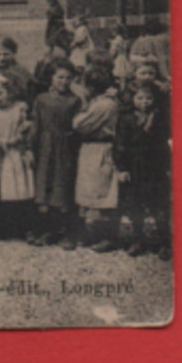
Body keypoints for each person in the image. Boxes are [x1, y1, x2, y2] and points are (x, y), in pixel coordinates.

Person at [114, 83, 172, 257]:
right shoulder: (126, 118)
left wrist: (168, 166)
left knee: (158, 204)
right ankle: (138, 239)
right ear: (132, 99)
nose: (144, 102)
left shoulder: (160, 117)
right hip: (134, 165)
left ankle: (163, 242)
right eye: (139, 98)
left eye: (149, 98)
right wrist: (122, 168)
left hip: (155, 165)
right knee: (135, 203)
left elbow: (165, 144)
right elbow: (120, 144)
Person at [28, 58, 80, 247]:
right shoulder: (41, 99)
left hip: (65, 148)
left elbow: (78, 127)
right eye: (59, 77)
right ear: (51, 78)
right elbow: (35, 126)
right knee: (45, 187)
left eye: (68, 78)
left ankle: (68, 232)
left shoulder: (75, 100)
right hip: (45, 147)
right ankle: (48, 230)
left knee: (63, 187)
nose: (63, 82)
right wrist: (30, 149)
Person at [72, 63, 122, 251]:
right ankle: (94, 233)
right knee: (91, 191)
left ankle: (109, 236)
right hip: (90, 149)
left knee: (104, 193)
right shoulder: (99, 102)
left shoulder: (104, 105)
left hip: (100, 148)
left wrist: (80, 114)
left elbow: (80, 124)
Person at [0, 72, 35, 241]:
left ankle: (27, 228)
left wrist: (22, 135)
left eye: (1, 93)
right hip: (3, 155)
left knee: (22, 190)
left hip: (18, 153)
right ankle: (5, 228)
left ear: (9, 92)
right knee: (5, 191)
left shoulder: (19, 108)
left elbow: (28, 129)